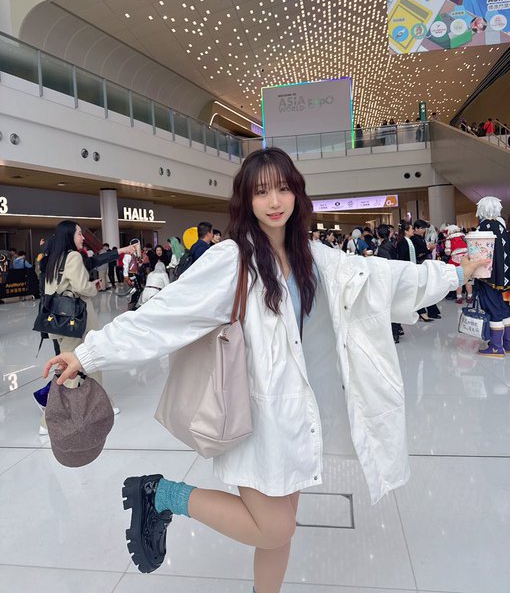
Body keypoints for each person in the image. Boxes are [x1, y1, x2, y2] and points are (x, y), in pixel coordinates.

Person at [44, 148, 481, 593]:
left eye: (283, 189)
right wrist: (90, 353)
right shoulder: (232, 259)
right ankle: (161, 495)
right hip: (256, 416)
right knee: (274, 528)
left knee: (280, 529)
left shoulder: (315, 257)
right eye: (261, 191)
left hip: (298, 417)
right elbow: (165, 314)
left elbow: (383, 278)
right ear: (246, 200)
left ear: (297, 194)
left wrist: (453, 274)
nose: (274, 201)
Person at [39, 220, 118, 435]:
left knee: (81, 364)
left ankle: (103, 404)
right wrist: (94, 287)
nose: (83, 238)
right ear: (69, 236)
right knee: (76, 367)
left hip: (60, 321)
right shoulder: (73, 256)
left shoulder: (53, 259)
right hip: (78, 321)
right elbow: (82, 287)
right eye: (79, 233)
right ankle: (48, 420)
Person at [474, 196, 510, 357]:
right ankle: (507, 343)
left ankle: (496, 346)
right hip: (505, 277)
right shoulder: (501, 226)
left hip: (488, 277)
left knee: (493, 308)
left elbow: (477, 253)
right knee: (504, 309)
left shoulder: (484, 227)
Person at [376, 224, 403, 343]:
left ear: (378, 234)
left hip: (387, 279)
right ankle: (398, 329)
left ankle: (394, 333)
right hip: (395, 277)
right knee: (394, 304)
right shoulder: (392, 244)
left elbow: (385, 266)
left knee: (388, 306)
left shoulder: (383, 248)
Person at [445, 225, 473, 303]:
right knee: (468, 279)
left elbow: (448, 252)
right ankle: (470, 296)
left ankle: (459, 297)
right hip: (466, 259)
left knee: (459, 280)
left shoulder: (449, 239)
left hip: (455, 261)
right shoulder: (464, 236)